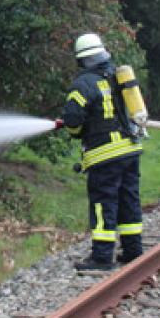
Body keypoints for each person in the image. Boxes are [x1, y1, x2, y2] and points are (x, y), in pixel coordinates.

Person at [62, 33, 144, 271]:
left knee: (103, 202)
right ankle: (133, 250)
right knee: (129, 200)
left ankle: (102, 256)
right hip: (130, 149)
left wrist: (76, 131)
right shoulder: (117, 76)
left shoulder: (83, 83)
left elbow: (72, 118)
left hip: (104, 154)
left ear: (81, 60)